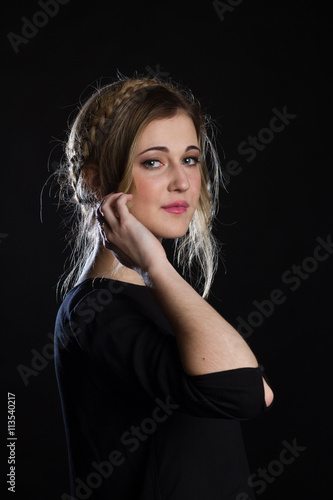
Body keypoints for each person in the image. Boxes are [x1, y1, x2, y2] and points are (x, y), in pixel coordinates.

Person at [53, 75, 274, 500]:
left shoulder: (156, 297)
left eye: (190, 159)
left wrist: (156, 274)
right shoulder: (97, 310)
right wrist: (155, 264)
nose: (183, 183)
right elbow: (243, 392)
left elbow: (259, 392)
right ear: (96, 181)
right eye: (154, 162)